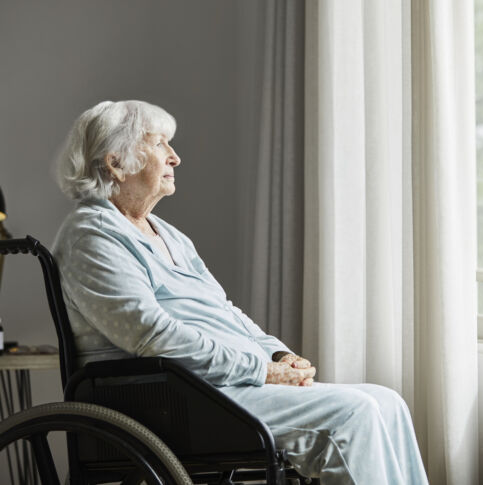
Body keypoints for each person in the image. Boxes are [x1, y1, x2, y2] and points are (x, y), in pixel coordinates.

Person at [53, 100, 428, 485]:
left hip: (217, 387)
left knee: (388, 403)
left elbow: (226, 311)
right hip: (169, 400)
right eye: (161, 143)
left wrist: (278, 353)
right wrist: (261, 370)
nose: (175, 157)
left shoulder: (168, 234)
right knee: (355, 413)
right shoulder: (92, 234)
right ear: (116, 162)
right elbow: (152, 336)